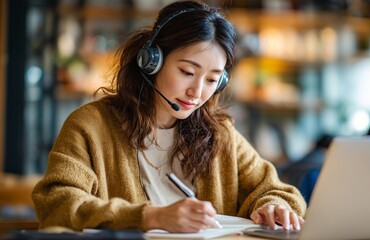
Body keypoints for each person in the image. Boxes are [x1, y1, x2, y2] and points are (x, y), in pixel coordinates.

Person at [32, 1, 306, 233]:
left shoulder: (220, 133)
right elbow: (57, 203)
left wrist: (274, 207)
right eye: (187, 72)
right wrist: (150, 217)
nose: (197, 92)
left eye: (212, 79)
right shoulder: (90, 126)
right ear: (151, 61)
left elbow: (277, 190)